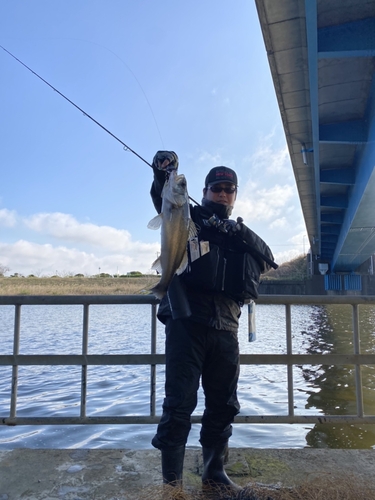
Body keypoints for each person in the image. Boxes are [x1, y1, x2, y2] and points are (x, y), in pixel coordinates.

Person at [150, 151, 275, 492]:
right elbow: (164, 197)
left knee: (223, 404)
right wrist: (163, 172)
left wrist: (237, 231)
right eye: (216, 188)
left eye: (228, 189)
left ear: (235, 195)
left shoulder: (241, 235)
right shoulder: (189, 218)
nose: (222, 194)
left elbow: (269, 259)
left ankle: (214, 475)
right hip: (187, 326)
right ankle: (171, 486)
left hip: (226, 329)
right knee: (179, 404)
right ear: (204, 192)